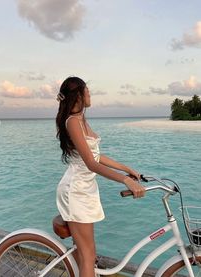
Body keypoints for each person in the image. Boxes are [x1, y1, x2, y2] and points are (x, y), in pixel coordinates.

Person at [56, 76, 145, 277]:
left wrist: (126, 168)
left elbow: (96, 155)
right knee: (89, 257)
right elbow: (91, 163)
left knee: (85, 253)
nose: (90, 95)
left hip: (85, 190)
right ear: (78, 95)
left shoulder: (81, 120)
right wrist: (125, 180)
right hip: (76, 191)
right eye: (87, 91)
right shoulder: (73, 122)